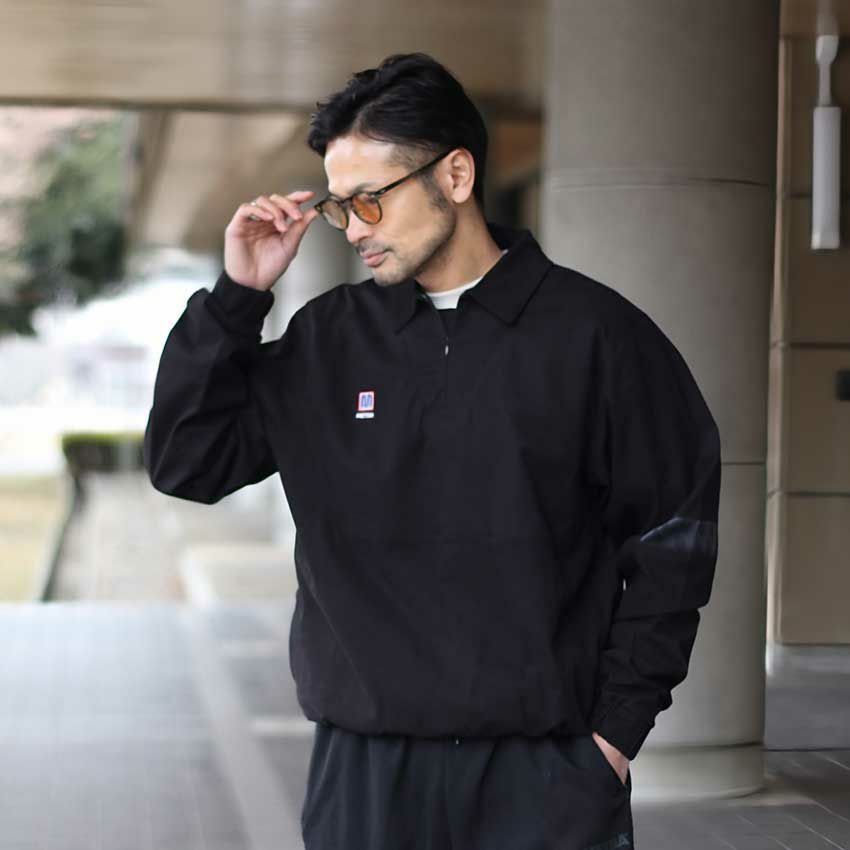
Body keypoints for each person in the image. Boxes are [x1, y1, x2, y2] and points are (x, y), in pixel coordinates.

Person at [144, 51, 721, 850]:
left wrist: (612, 740)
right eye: (339, 208)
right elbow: (187, 460)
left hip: (545, 776)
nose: (354, 229)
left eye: (369, 201)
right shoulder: (329, 340)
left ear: (455, 175)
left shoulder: (597, 336)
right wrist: (238, 299)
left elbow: (673, 544)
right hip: (363, 776)